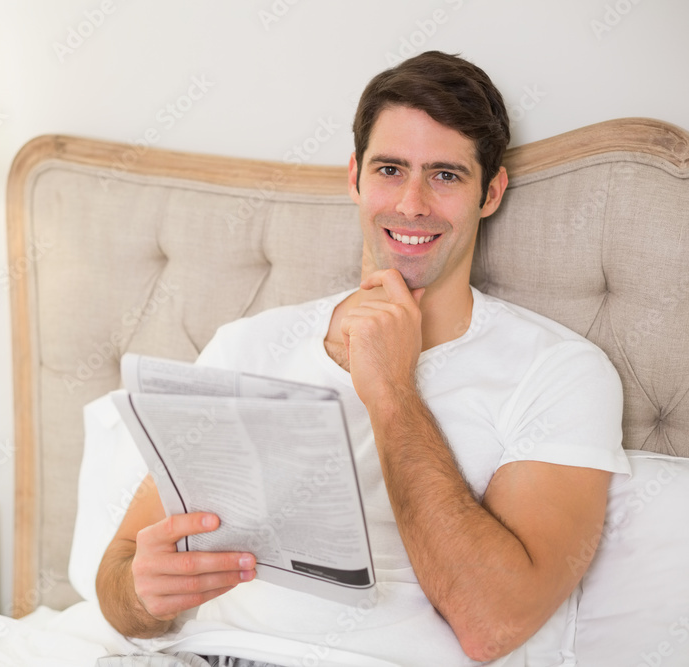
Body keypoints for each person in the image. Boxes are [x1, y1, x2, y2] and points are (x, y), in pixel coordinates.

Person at [96, 51, 630, 666]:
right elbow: (119, 578)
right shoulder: (246, 346)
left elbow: (493, 624)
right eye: (390, 169)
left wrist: (391, 390)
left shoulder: (560, 372)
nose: (411, 204)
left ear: (491, 192)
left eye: (447, 175)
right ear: (354, 176)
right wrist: (144, 592)